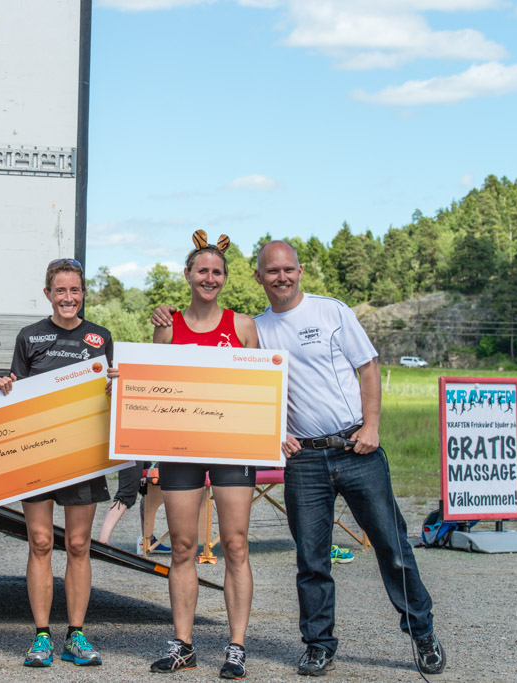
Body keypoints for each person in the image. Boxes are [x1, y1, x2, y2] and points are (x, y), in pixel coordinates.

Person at [156, 240, 446, 677]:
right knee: (311, 559)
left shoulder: (331, 311)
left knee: (393, 547)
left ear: (300, 270)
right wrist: (276, 433)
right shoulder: (257, 327)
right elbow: (252, 389)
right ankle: (318, 645)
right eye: (272, 271)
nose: (281, 277)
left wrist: (371, 425)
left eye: (288, 269)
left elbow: (368, 366)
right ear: (258, 277)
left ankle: (422, 632)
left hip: (355, 447)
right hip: (304, 458)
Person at [137, 230, 260, 679]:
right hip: (181, 448)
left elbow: (260, 391)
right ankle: (183, 645)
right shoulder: (167, 325)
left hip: (231, 447)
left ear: (225, 278)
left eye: (217, 272)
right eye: (202, 271)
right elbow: (152, 384)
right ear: (187, 274)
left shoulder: (242, 326)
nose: (209, 278)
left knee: (235, 545)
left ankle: (236, 646)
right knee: (183, 546)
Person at [0, 258, 113, 668]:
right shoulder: (30, 336)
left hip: (82, 454)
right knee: (41, 542)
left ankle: (75, 635)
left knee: (78, 545)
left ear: (83, 293)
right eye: (60, 290)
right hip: (37, 452)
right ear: (48, 294)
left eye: (75, 290)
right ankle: (41, 636)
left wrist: (114, 387)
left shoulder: (100, 337)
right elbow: (15, 392)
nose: (68, 297)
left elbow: (108, 393)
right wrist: (5, 386)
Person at [97, 462, 171, 556]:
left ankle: (148, 540)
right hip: (132, 454)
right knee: (125, 495)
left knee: (147, 488)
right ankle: (102, 542)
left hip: (143, 455)